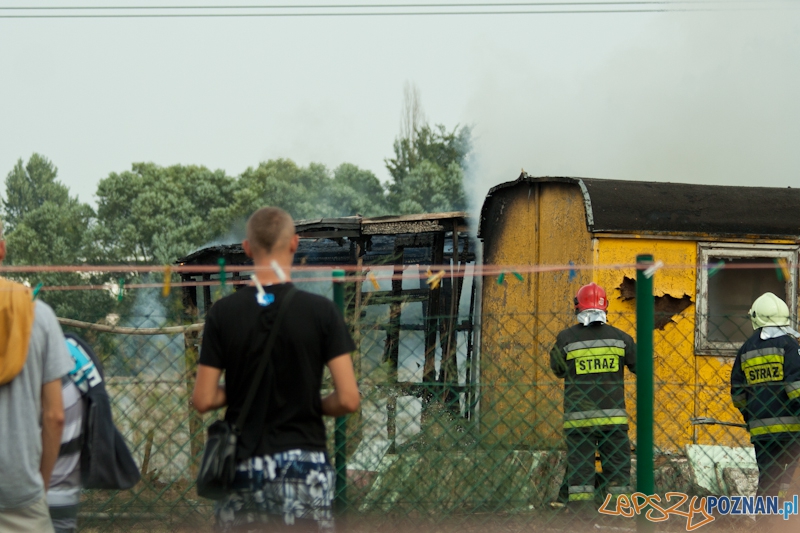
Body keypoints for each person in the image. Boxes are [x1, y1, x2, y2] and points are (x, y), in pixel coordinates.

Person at [192, 206, 360, 532]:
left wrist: (238, 390)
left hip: (243, 466)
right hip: (304, 464)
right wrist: (311, 401)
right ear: (295, 243)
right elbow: (349, 399)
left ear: (247, 248)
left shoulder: (222, 314)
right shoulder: (321, 312)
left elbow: (203, 398)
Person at [0, 220, 74, 533]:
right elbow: (56, 416)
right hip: (20, 492)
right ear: (1, 250)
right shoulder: (37, 314)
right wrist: (40, 487)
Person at [550, 282, 637, 508]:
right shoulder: (622, 338)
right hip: (614, 420)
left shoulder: (566, 338)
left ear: (578, 307)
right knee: (617, 468)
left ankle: (581, 516)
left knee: (580, 470)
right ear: (605, 307)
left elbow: (558, 370)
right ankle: (619, 512)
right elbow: (640, 366)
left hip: (579, 419)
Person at [731, 292, 800, 498]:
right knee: (792, 478)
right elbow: (796, 388)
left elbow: (738, 394)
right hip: (792, 430)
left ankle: (763, 522)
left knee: (768, 478)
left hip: (762, 431)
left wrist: (750, 417)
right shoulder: (789, 346)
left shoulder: (745, 349)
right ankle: (787, 519)